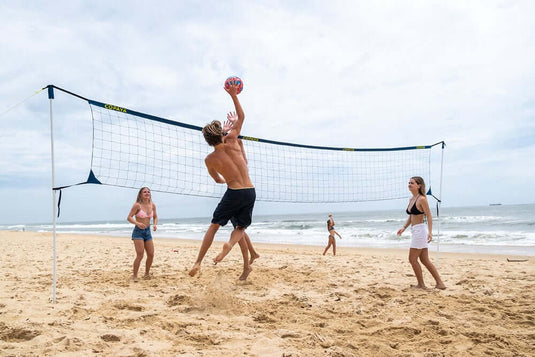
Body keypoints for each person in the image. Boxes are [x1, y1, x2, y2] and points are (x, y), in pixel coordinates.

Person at [189, 83, 257, 280]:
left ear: (207, 140)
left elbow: (217, 179)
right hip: (250, 190)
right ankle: (230, 245)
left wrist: (223, 179)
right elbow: (242, 117)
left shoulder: (210, 159)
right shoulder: (234, 140)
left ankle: (198, 262)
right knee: (240, 228)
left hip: (234, 192)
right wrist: (233, 95)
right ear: (221, 133)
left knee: (214, 225)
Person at [397, 177, 446, 290]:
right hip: (415, 231)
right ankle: (440, 283)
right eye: (409, 182)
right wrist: (404, 227)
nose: (409, 184)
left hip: (420, 231)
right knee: (424, 260)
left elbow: (429, 215)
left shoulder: (422, 199)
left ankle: (421, 285)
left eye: (412, 183)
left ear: (419, 185)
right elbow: (411, 216)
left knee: (412, 259)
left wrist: (430, 232)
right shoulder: (411, 199)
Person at [127, 187, 158, 282]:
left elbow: (155, 217)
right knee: (140, 255)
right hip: (138, 232)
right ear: (140, 194)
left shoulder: (152, 205)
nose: (147, 193)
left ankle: (147, 274)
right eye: (144, 192)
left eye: (148, 191)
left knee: (151, 254)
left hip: (148, 232)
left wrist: (155, 224)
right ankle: (134, 276)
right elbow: (129, 217)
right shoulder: (137, 205)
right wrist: (137, 223)